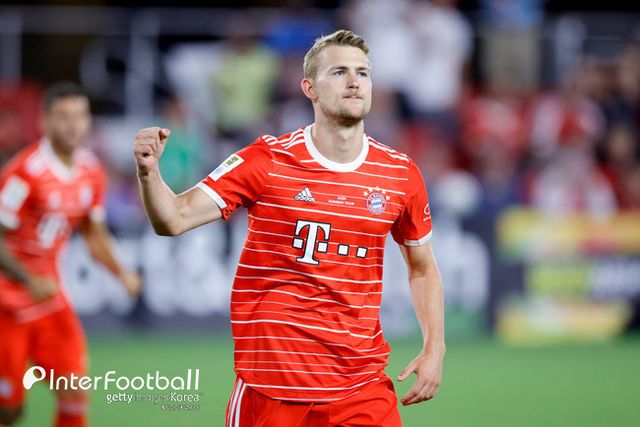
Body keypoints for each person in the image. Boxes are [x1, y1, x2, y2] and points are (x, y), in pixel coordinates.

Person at [135, 30, 445, 426]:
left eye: (363, 73)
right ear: (309, 88)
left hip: (361, 388)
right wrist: (149, 172)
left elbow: (422, 267)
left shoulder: (399, 173)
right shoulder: (267, 160)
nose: (354, 81)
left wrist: (435, 348)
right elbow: (173, 218)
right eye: (339, 72)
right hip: (271, 389)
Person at [0, 82, 141, 427]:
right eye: (63, 116)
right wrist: (27, 279)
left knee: (75, 392)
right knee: (9, 411)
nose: (73, 125)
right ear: (44, 122)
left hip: (51, 302)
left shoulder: (91, 171)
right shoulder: (24, 173)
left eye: (79, 116)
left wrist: (121, 272)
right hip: (7, 306)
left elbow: (93, 233)